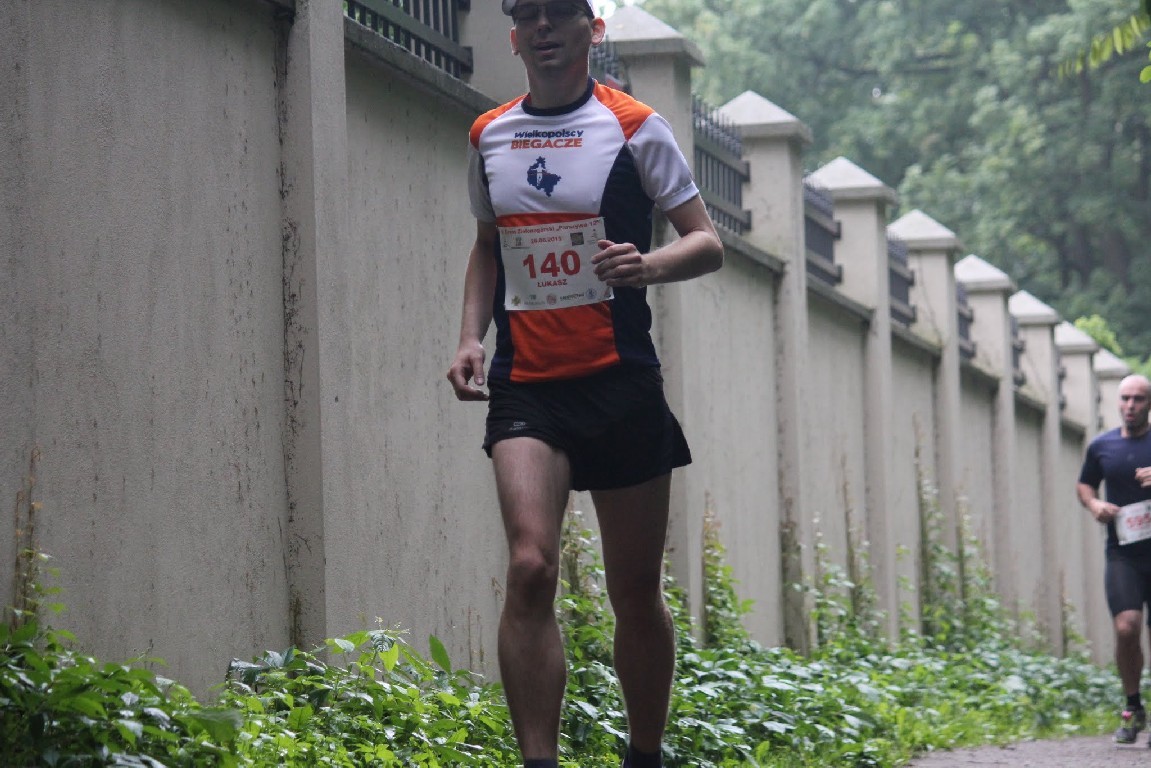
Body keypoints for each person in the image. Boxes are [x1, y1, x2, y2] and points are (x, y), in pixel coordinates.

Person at [445, 2, 724, 766]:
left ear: (591, 29)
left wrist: (647, 264)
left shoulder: (635, 127)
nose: (543, 27)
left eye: (560, 11)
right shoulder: (489, 133)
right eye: (528, 14)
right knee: (530, 567)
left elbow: (706, 242)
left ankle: (644, 753)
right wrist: (469, 336)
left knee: (633, 589)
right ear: (513, 37)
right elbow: (487, 245)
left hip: (619, 380)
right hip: (527, 385)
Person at [1077, 374, 1151, 745]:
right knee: (1126, 627)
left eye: (1138, 398)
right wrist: (1094, 504)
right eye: (1125, 398)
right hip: (1123, 553)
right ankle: (1133, 705)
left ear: (1149, 403)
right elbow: (1085, 483)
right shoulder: (1102, 446)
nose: (1130, 405)